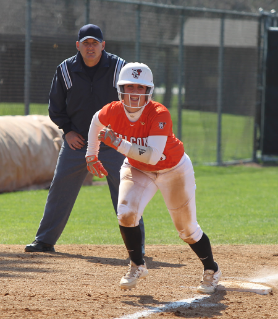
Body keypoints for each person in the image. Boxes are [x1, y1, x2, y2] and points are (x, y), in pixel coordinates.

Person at [85, 62, 222, 294]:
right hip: (137, 168)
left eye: (140, 87)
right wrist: (91, 154)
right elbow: (96, 122)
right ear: (120, 89)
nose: (134, 93)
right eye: (129, 87)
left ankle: (212, 269)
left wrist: (118, 143)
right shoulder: (113, 109)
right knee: (126, 214)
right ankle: (137, 265)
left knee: (187, 231)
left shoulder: (159, 113)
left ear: (149, 90)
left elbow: (153, 156)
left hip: (173, 168)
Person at [24, 24, 145, 253]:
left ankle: (137, 247)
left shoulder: (119, 68)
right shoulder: (65, 70)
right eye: (86, 43)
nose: (91, 47)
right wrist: (67, 131)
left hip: (113, 142)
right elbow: (55, 107)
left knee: (126, 191)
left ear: (103, 45)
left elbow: (134, 100)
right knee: (60, 188)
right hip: (77, 142)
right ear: (78, 46)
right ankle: (45, 241)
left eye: (95, 43)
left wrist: (122, 133)